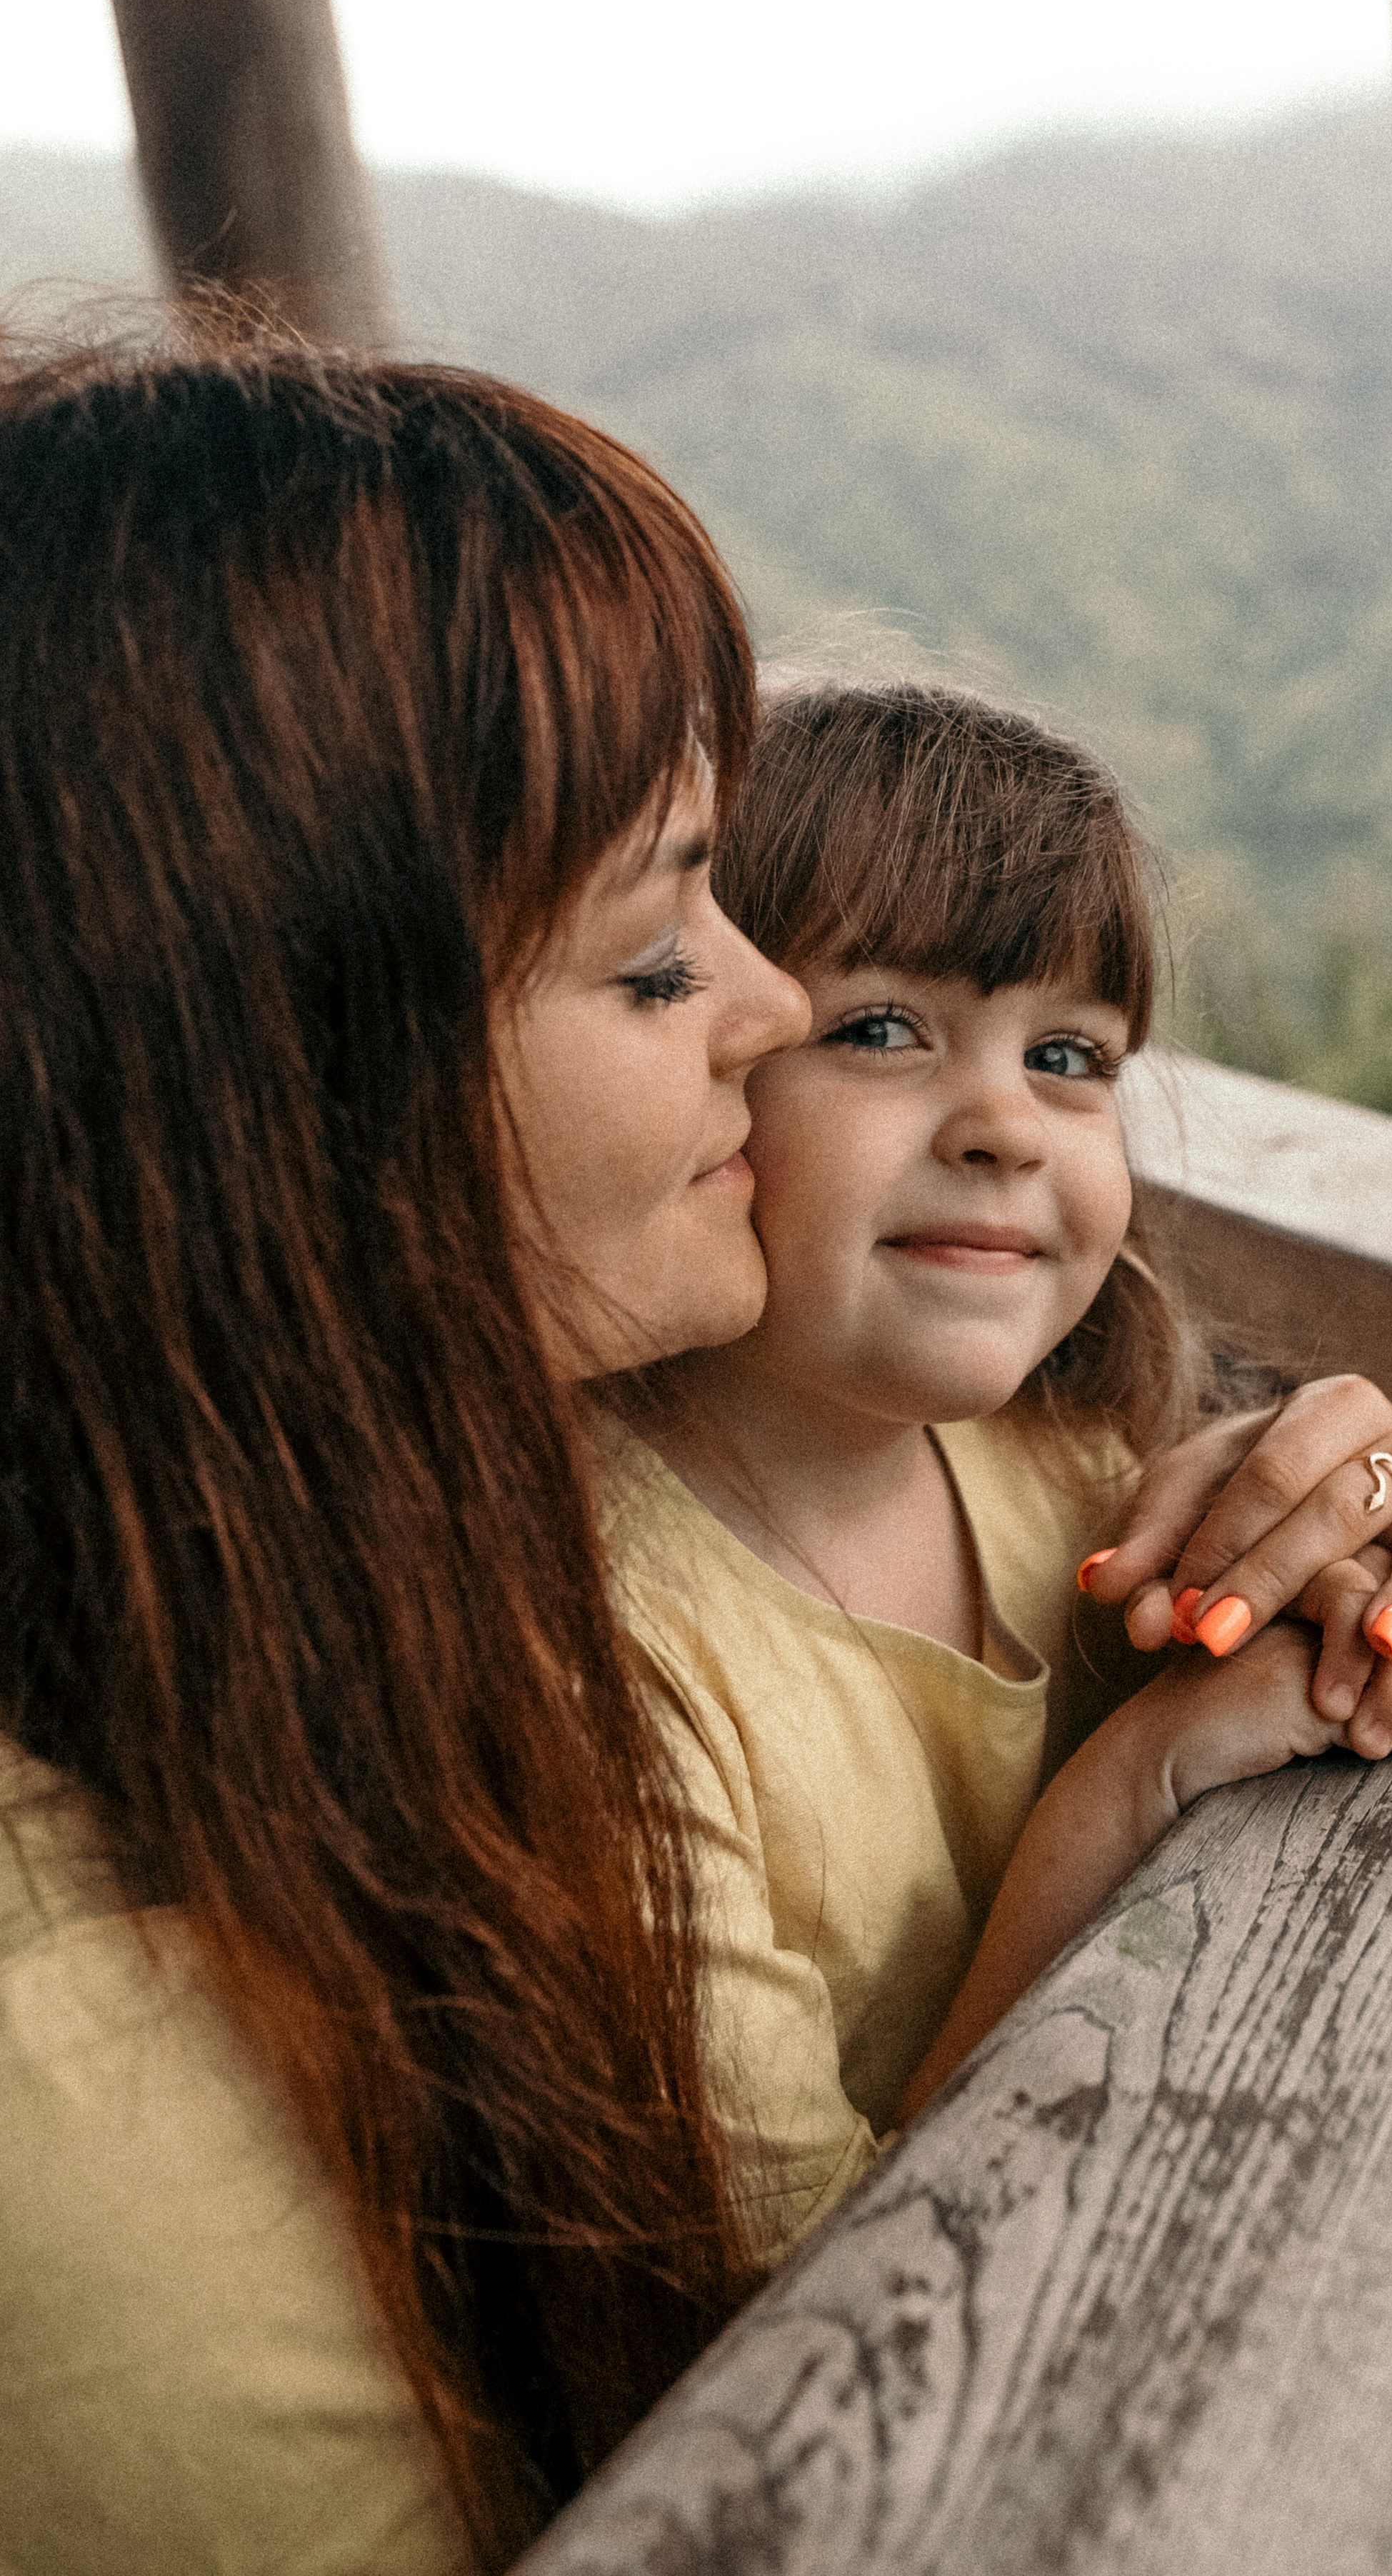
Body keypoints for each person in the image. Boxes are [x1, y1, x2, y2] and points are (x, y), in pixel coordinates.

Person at [0, 339, 812, 2576]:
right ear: (283, 1116)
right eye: (656, 961)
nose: (769, 1005)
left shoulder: (472, 1623)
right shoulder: (71, 2120)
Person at [601, 679, 1392, 2258]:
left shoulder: (1073, 1458)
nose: (1003, 1125)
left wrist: (1386, 1570)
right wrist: (1130, 1787)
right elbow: (786, 2299)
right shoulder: (610, 1653)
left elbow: (1359, 1647)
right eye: (880, 1030)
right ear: (707, 1074)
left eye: (1067, 1054)